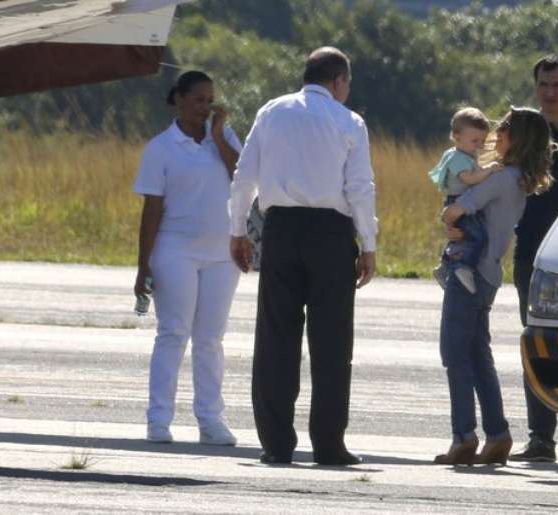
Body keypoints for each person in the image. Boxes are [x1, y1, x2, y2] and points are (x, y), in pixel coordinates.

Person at [228, 47, 377, 466]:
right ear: (337, 81)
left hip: (281, 231)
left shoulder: (272, 111)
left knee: (276, 337)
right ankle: (329, 444)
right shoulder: (349, 121)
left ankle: (276, 444)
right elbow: (360, 188)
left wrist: (237, 229)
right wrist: (368, 244)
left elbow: (245, 177)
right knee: (331, 342)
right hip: (330, 234)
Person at [434, 107, 553, 466]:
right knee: (478, 356)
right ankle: (497, 434)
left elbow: (456, 211)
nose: (495, 135)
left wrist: (448, 216)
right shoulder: (518, 179)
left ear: (518, 139)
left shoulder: (500, 178)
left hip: (469, 273)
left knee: (454, 354)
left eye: (503, 130)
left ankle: (464, 436)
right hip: (489, 273)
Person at [133, 70, 242, 445]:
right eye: (198, 99)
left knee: (210, 338)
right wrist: (142, 264)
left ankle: (210, 419)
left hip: (221, 253)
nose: (205, 107)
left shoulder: (223, 138)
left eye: (210, 99)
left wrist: (217, 137)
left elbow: (243, 180)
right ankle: (158, 419)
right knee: (173, 333)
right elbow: (152, 210)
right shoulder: (160, 148)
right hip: (174, 249)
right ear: (178, 99)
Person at [509, 55, 558, 464]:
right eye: (544, 85)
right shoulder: (522, 133)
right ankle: (540, 438)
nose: (550, 92)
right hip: (532, 254)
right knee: (536, 346)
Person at [429, 107, 502, 293]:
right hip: (458, 201)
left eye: (482, 141)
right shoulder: (458, 158)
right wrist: (489, 170)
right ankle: (462, 266)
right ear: (456, 136)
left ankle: (445, 265)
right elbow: (469, 179)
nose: (479, 145)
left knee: (462, 235)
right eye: (474, 140)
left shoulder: (461, 155)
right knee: (476, 236)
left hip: (459, 200)